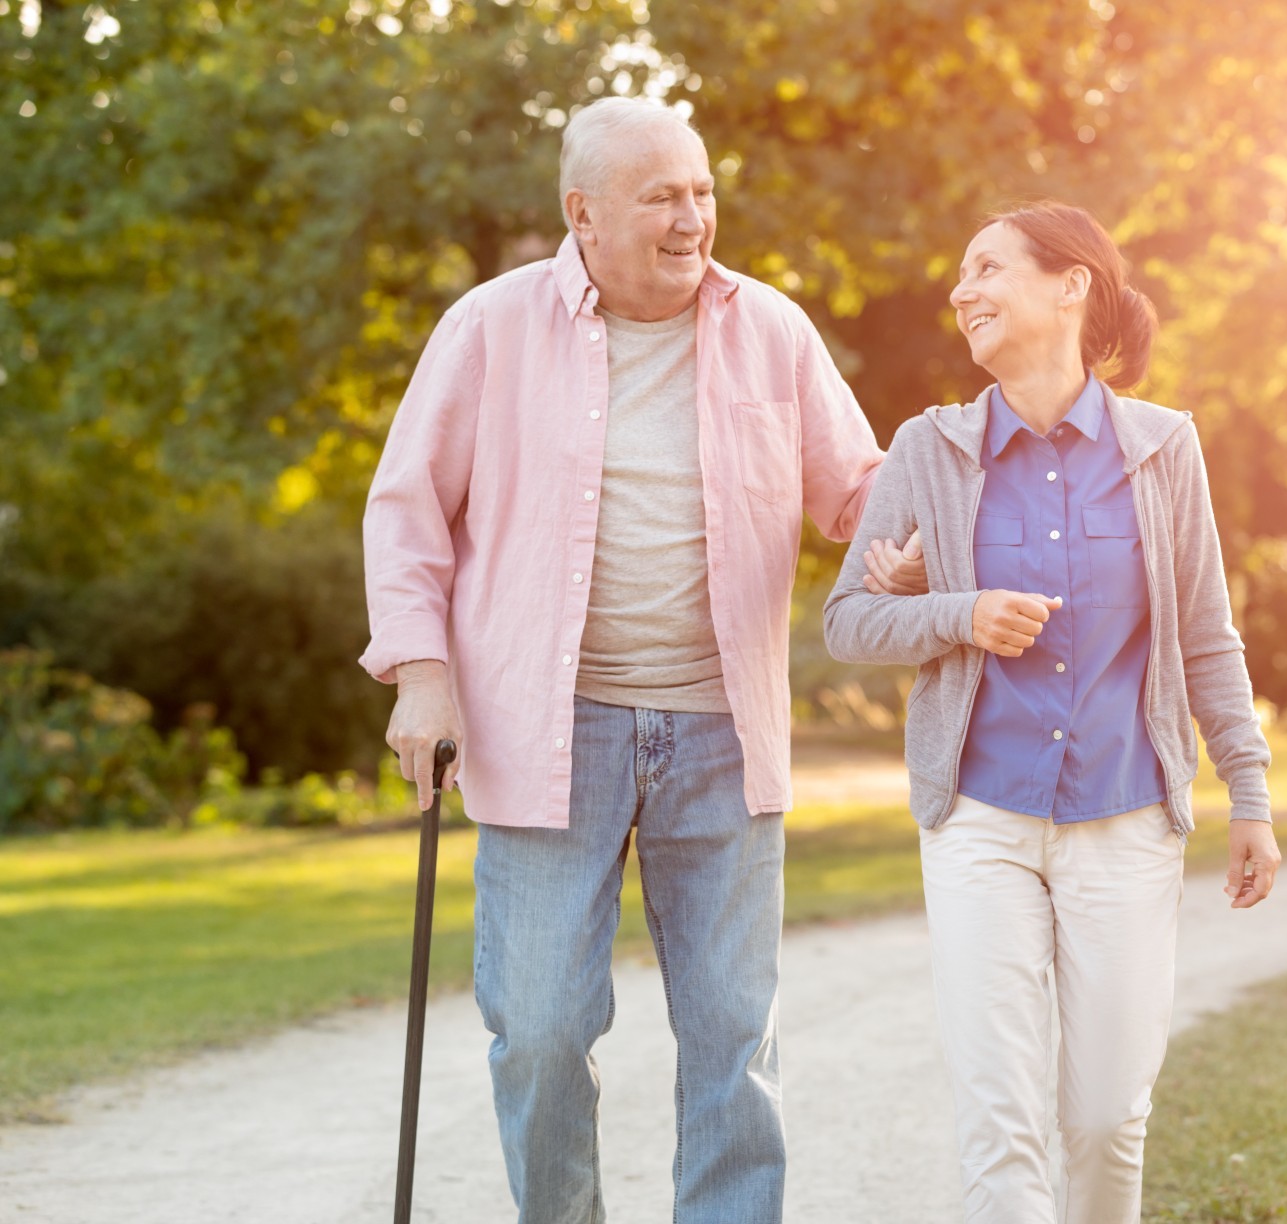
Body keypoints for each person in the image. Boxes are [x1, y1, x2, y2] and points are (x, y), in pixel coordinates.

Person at [359, 97, 921, 1223]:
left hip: (720, 728)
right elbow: (407, 507)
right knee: (543, 1030)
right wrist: (422, 673)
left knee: (731, 1035)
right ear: (585, 214)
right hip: (544, 727)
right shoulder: (491, 328)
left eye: (702, 190)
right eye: (661, 195)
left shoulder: (771, 328)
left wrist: (906, 547)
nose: (691, 216)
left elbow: (857, 491)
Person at [824, 200, 1279, 1224]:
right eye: (960, 275)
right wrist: (960, 614)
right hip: (981, 819)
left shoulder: (1163, 450)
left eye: (987, 268)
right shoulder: (928, 452)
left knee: (1107, 1117)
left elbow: (1206, 636)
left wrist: (1249, 793)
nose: (961, 291)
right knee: (1002, 1119)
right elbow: (849, 621)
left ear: (1070, 284)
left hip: (1123, 815)